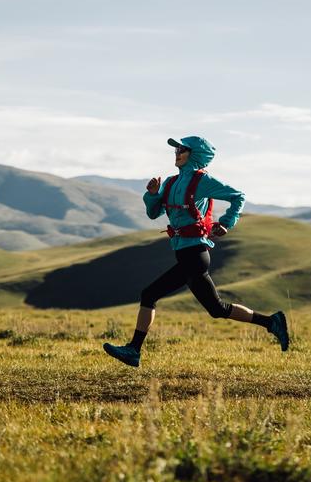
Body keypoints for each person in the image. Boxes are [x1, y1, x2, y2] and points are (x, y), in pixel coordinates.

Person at [103, 136, 289, 368]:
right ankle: (272, 322)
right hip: (184, 253)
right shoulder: (169, 183)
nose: (177, 152)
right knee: (217, 309)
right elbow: (154, 214)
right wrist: (152, 194)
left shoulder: (203, 181)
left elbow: (237, 196)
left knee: (149, 294)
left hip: (196, 254)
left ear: (196, 154)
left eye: (182, 149)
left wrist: (227, 222)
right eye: (176, 149)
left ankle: (133, 350)